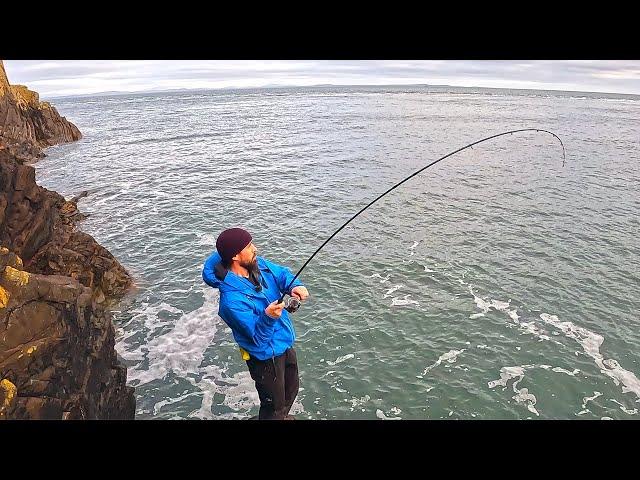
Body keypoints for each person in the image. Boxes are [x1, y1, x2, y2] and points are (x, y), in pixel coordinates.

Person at [202, 227, 309, 420]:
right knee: (273, 407)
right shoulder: (231, 302)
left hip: (283, 342)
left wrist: (295, 286)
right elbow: (258, 339)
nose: (255, 248)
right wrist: (268, 317)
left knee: (291, 390)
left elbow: (281, 274)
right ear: (235, 256)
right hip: (265, 357)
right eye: (249, 246)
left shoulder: (257, 265)